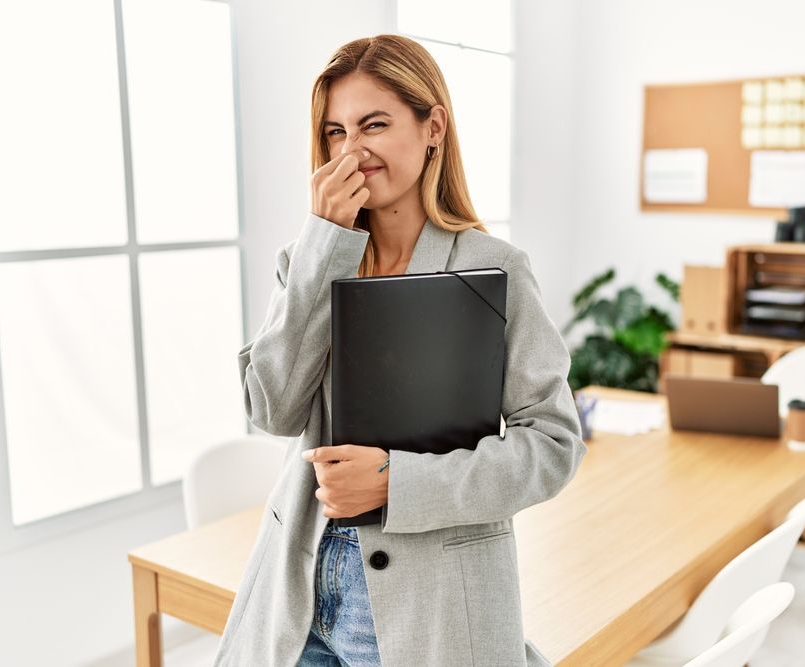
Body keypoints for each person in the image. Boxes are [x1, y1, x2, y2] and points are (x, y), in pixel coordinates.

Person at [212, 34, 587, 667]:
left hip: (428, 602)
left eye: (374, 124)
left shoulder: (491, 269)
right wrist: (323, 241)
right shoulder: (305, 263)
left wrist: (397, 482)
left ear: (432, 125)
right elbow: (271, 411)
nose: (351, 149)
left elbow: (552, 446)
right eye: (334, 132)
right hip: (299, 591)